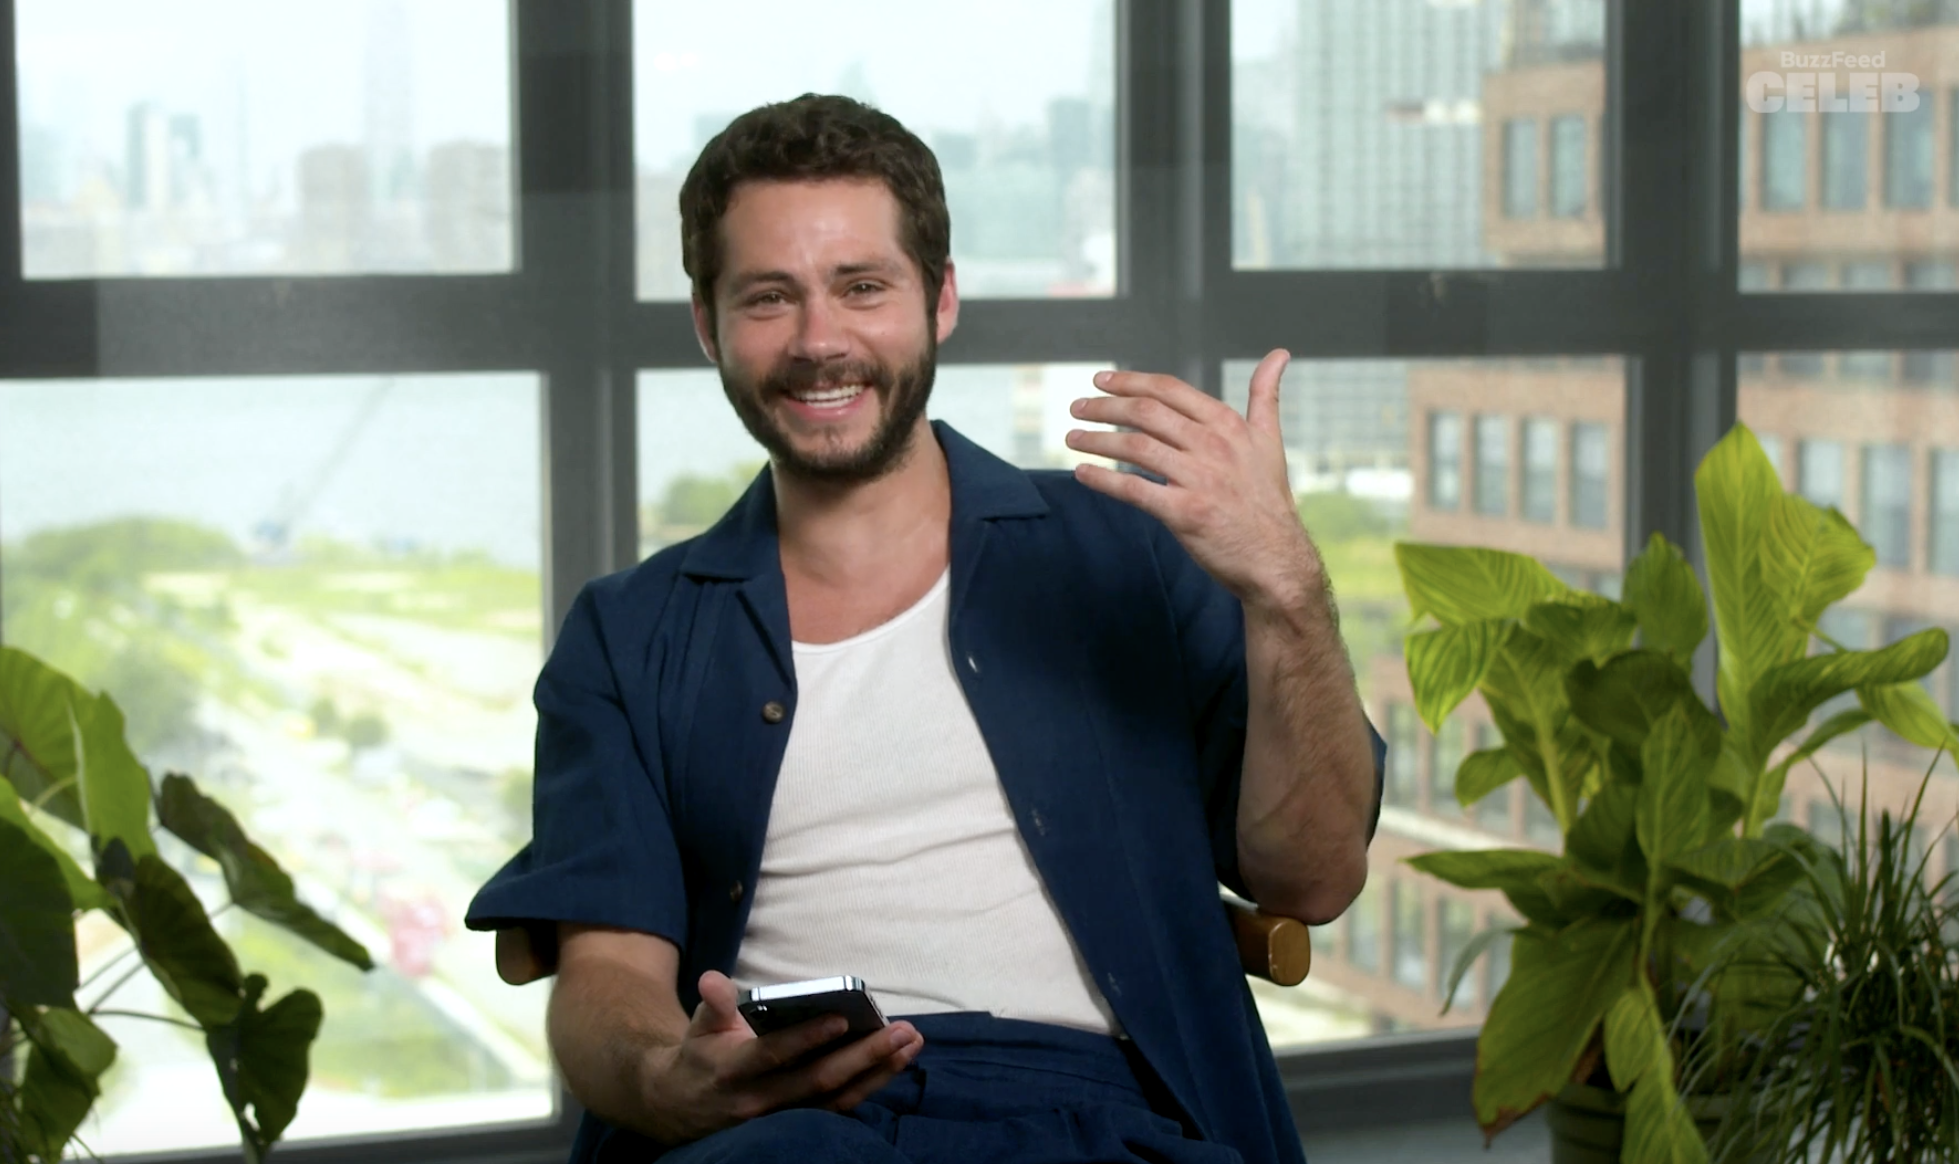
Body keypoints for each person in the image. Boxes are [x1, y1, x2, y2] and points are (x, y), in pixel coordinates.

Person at [465, 93, 1382, 1164]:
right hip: (789, 1128)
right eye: (769, 297)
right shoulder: (627, 635)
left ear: (938, 299)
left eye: (862, 287)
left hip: (1097, 1119)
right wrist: (668, 1078)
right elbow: (605, 978)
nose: (819, 341)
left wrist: (1287, 592)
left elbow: (1311, 879)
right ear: (708, 323)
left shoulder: (1123, 552)